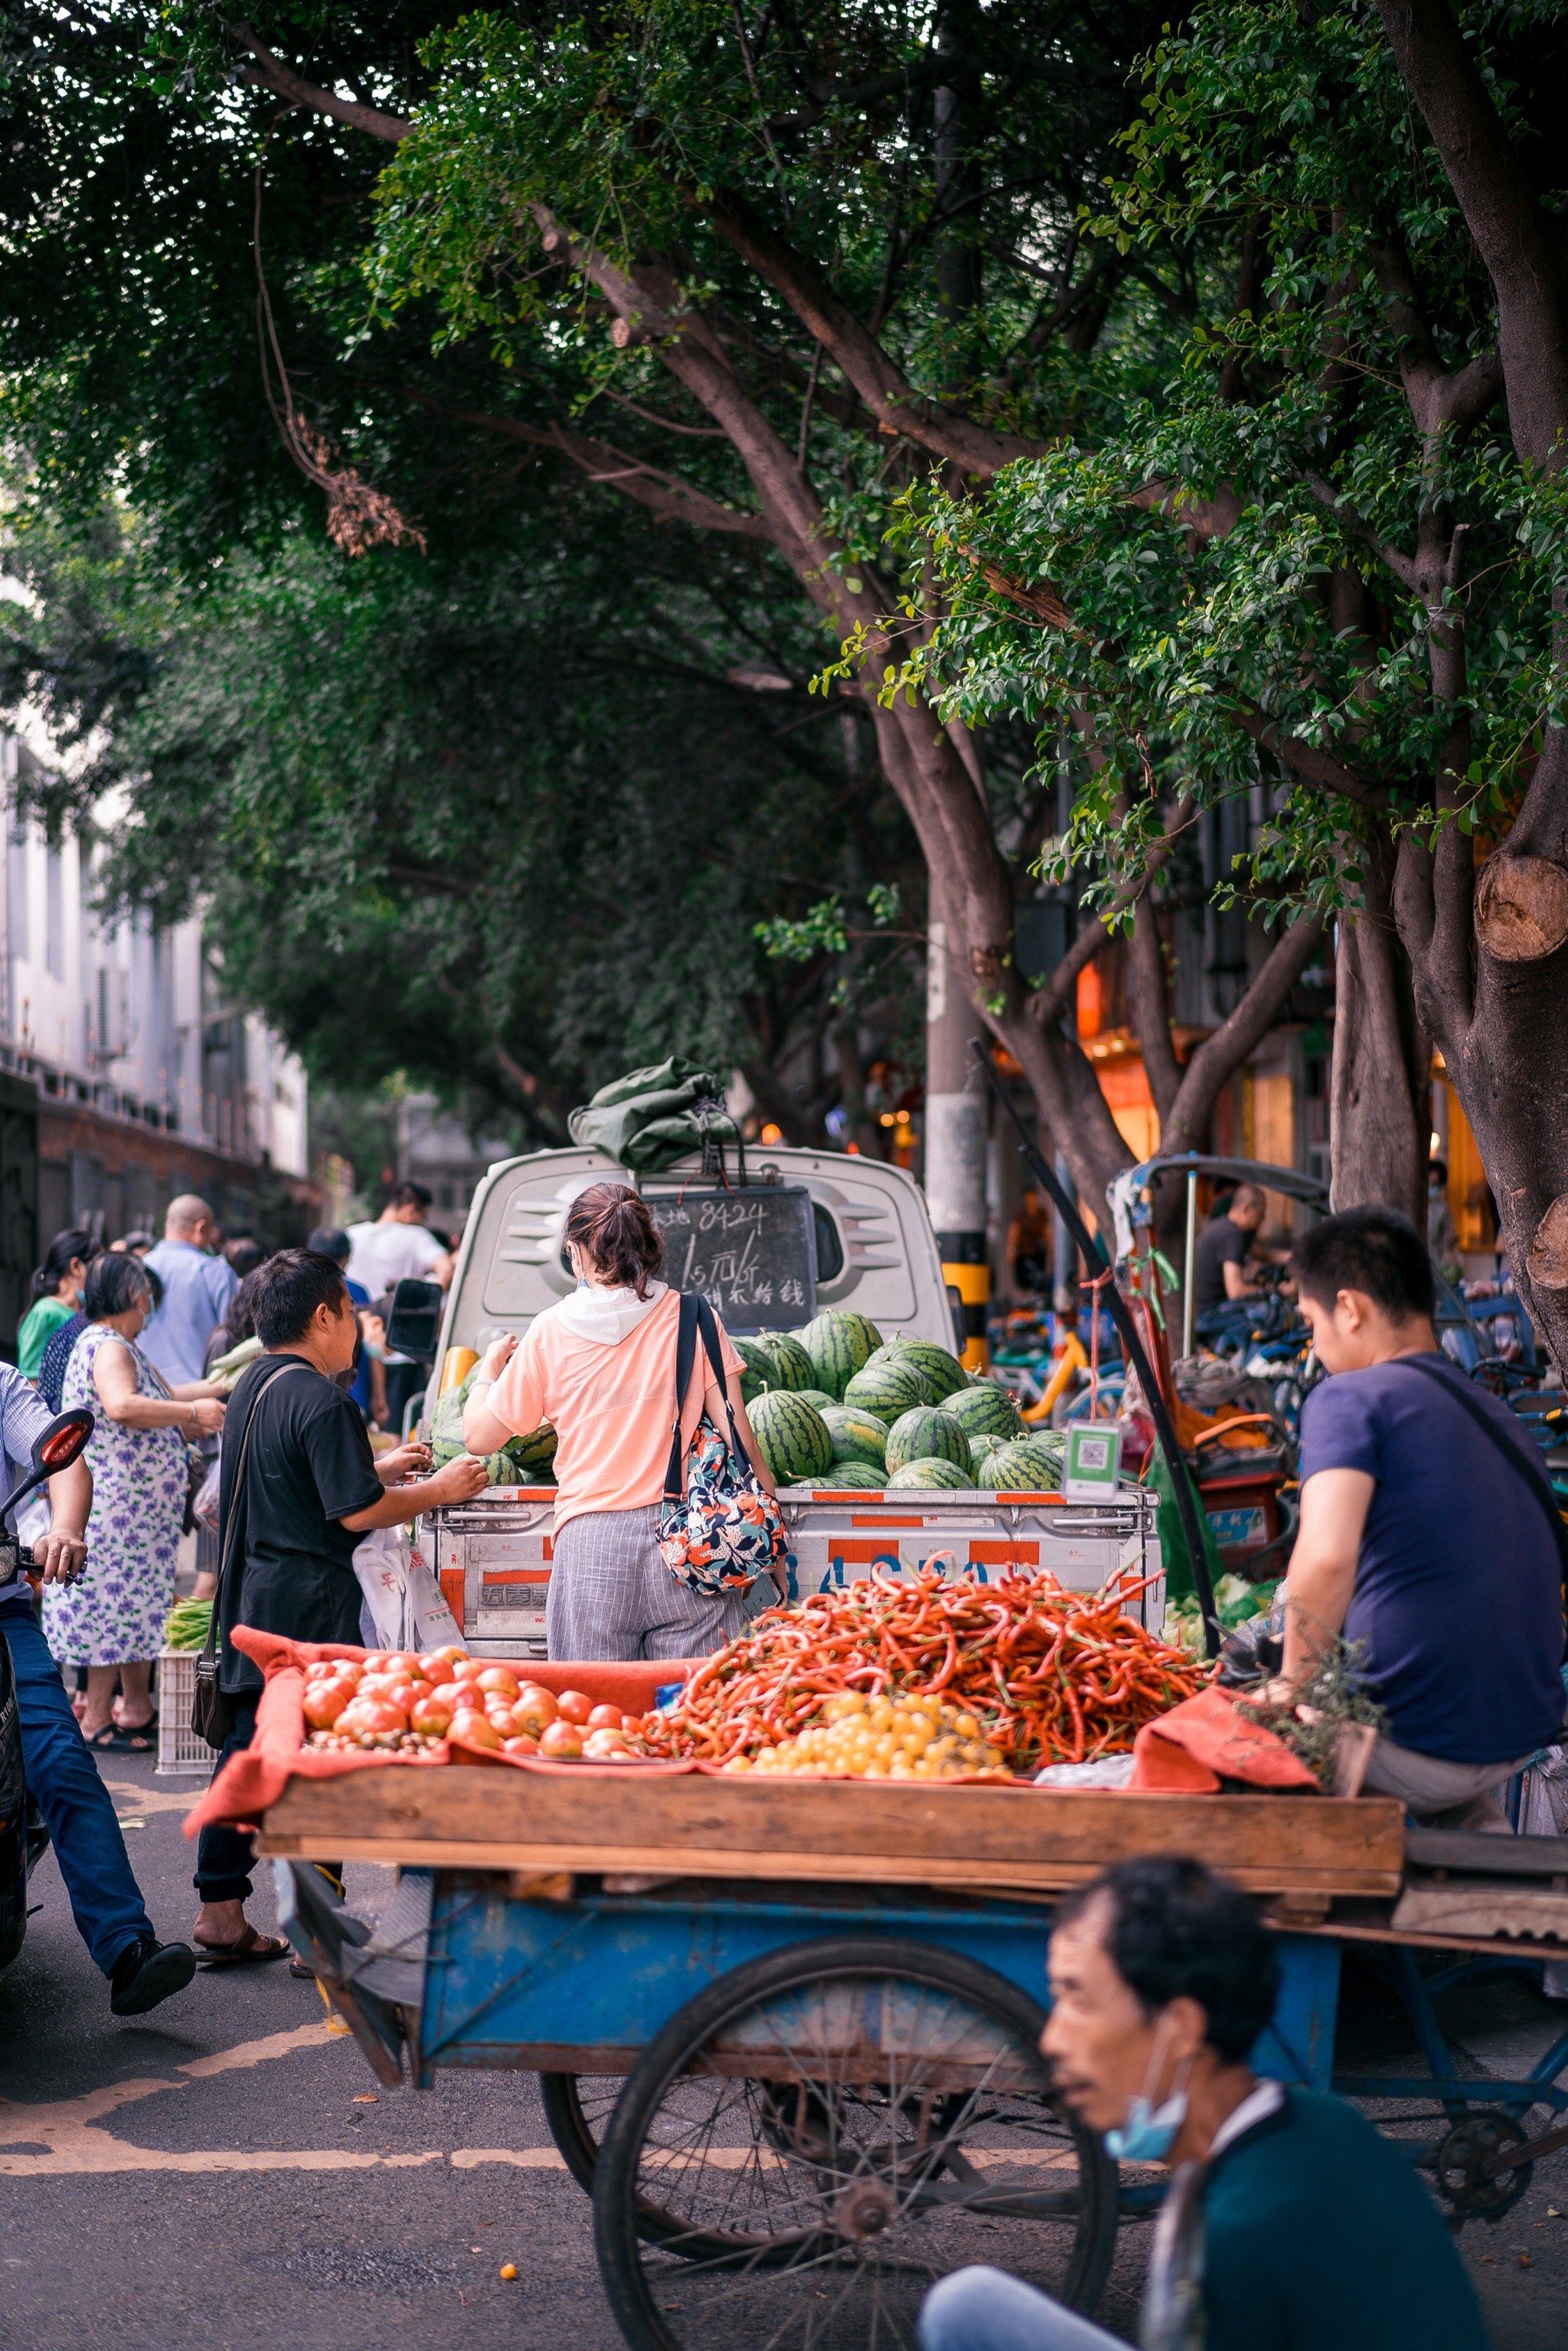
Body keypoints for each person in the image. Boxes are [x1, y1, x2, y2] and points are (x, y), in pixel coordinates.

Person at [919, 1856, 1485, 2351]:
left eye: (1080, 2001)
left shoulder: (1243, 2235)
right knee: (966, 2304)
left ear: (1181, 2028)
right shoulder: (1321, 2121)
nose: (1052, 2039)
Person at [191, 1247, 489, 1962]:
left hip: (253, 1598)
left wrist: (374, 1465)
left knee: (248, 1750)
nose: (358, 1326)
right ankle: (315, 1932)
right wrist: (440, 1490)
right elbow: (358, 1512)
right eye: (351, 1311)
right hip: (309, 1610)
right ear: (324, 1316)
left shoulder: (257, 1383)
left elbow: (294, 1476)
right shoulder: (326, 1401)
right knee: (318, 1754)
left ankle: (220, 1911)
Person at [1276, 1205, 1565, 1827]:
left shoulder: (1349, 1397)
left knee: (1243, 1735)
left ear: (1349, 1309)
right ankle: (1480, 1843)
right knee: (1445, 1796)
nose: (1315, 1346)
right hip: (1520, 1732)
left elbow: (1326, 1556)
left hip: (1414, 1738)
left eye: (1312, 1322)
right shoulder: (1500, 1418)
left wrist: (1290, 1688)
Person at [462, 1180, 776, 1661]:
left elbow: (479, 1437)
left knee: (596, 1702)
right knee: (692, 1699)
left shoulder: (548, 1332)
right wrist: (769, 1527)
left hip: (591, 1548)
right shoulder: (694, 1317)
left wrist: (487, 1371)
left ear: (575, 1253)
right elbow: (741, 1439)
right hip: (690, 1540)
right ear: (647, 1244)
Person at [0, 1357, 197, 2014]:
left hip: (4, 1619)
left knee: (60, 1758)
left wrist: (65, 1528)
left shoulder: (1, 1384)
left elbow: (63, 1461)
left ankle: (126, 1947)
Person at [44, 1252, 227, 1753]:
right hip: (120, 1512)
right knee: (112, 1610)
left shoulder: (115, 1344)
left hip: (135, 1515)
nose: (151, 1301)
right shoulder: (109, 1347)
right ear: (131, 1294)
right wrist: (192, 1413)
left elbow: (163, 1393)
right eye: (146, 1291)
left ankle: (135, 1707)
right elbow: (122, 1405)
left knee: (135, 1610)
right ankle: (98, 1718)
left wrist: (217, 1390)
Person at [141, 1194, 240, 1388]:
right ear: (201, 1227)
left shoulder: (137, 1267)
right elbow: (231, 1340)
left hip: (145, 1393)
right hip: (201, 1395)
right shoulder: (217, 1273)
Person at [306, 1225, 382, 1422]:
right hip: (354, 1391)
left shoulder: (301, 1292)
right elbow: (373, 1344)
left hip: (311, 1394)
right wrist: (379, 1395)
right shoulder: (356, 1292)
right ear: (345, 1258)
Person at [343, 1180, 456, 1297]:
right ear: (410, 1210)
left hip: (354, 1307)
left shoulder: (351, 1234)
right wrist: (428, 1302)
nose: (423, 1222)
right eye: (423, 1216)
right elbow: (446, 1269)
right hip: (394, 1308)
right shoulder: (416, 1236)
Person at [16, 1228, 93, 1380]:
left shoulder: (84, 1312)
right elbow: (32, 1379)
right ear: (76, 1267)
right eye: (96, 1265)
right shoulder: (45, 1313)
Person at [1193, 1184, 1266, 1313]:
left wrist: (1292, 1257)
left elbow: (1262, 1254)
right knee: (1268, 1313)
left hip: (1200, 1309)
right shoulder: (1232, 1234)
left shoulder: (1223, 1225)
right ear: (1247, 1209)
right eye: (1260, 1213)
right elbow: (1236, 1291)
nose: (1263, 1218)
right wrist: (1274, 1289)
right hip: (1209, 1313)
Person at [1008, 1187, 1051, 1299]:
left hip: (1037, 1252)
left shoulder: (1041, 1214)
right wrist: (1011, 1249)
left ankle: (1037, 1301)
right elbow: (1014, 1233)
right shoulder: (1021, 1215)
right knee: (1023, 1282)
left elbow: (1046, 1232)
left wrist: (1051, 1249)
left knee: (1038, 1279)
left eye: (1033, 1197)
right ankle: (1025, 1301)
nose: (1031, 1200)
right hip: (1023, 1252)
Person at [1427, 1158, 1461, 1280]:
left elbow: (1449, 1234)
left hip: (1436, 1265)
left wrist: (1451, 1240)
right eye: (1431, 1183)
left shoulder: (1442, 1209)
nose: (1433, 1187)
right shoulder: (1413, 1206)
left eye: (1436, 1184)